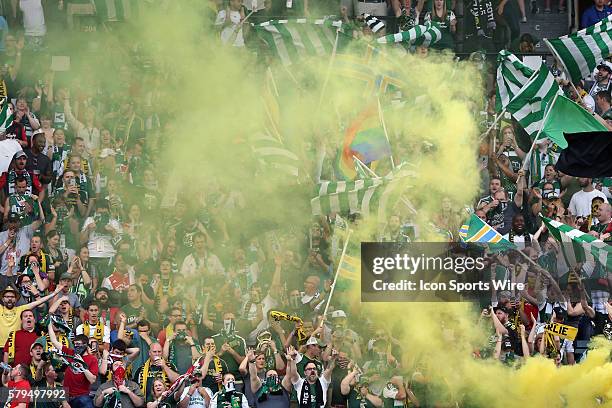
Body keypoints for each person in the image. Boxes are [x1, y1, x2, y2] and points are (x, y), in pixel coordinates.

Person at [47, 324, 99, 408]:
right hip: (66, 396)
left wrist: (82, 365)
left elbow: (92, 380)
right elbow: (54, 341)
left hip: (81, 397)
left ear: (85, 345)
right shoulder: (71, 353)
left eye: (78, 344)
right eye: (74, 344)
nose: (76, 346)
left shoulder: (92, 359)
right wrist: (49, 324)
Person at [0, 283, 65, 348]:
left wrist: (54, 293)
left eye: (12, 297)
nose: (10, 299)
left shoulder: (20, 309)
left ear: (16, 299)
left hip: (15, 346)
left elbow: (38, 302)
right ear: (2, 299)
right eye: (7, 297)